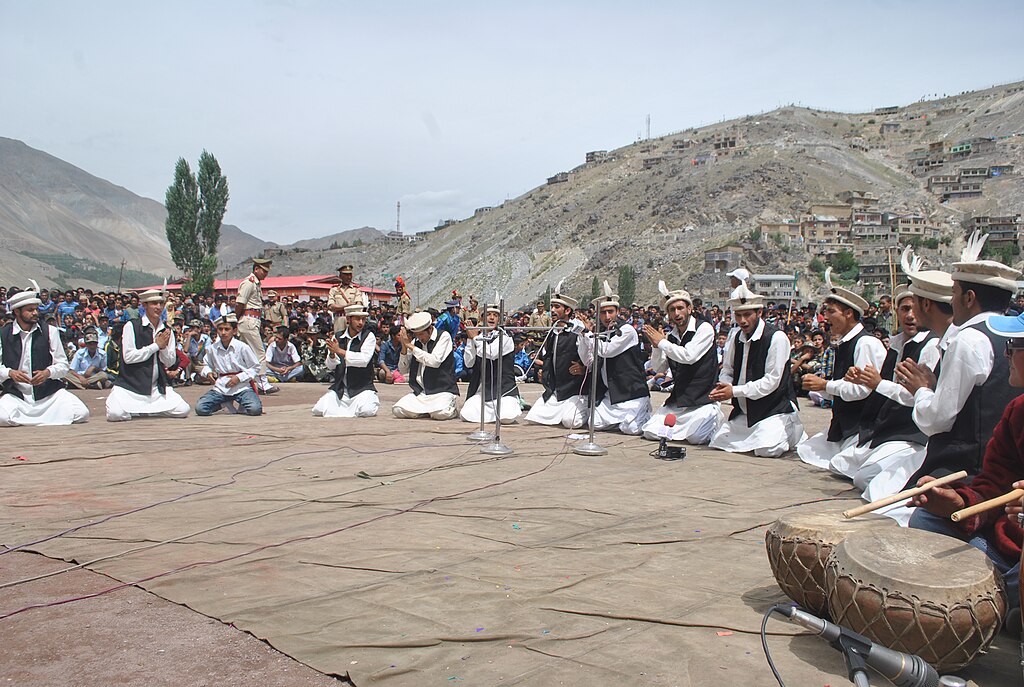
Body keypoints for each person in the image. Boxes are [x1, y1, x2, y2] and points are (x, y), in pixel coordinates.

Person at [906, 306, 1024, 620]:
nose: (1007, 355)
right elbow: (993, 485)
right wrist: (958, 503)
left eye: (1014, 346)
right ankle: (1005, 597)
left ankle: (1003, 597)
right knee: (925, 520)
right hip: (1007, 542)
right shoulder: (1017, 411)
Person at [899, 231, 1024, 488]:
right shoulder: (1015, 332)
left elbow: (937, 420)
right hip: (1010, 467)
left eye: (954, 293)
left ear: (969, 298)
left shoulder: (968, 339)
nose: (951, 301)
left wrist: (922, 390)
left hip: (971, 472)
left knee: (900, 506)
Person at [797, 269, 886, 468]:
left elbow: (862, 390)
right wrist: (822, 386)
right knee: (807, 449)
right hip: (845, 423)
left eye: (831, 311)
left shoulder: (866, 343)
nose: (825, 316)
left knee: (842, 465)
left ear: (848, 313)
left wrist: (825, 385)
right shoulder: (843, 343)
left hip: (864, 425)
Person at [708, 284, 805, 457]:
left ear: (759, 312)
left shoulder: (776, 338)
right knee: (718, 440)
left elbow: (771, 381)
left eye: (747, 315)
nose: (742, 320)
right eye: (738, 315)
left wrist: (734, 391)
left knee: (768, 449)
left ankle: (792, 430)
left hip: (773, 410)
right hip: (746, 413)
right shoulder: (736, 337)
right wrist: (725, 385)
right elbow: (728, 369)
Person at [640, 282, 723, 443]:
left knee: (696, 438)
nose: (677, 313)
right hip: (679, 401)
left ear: (689, 309)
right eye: (672, 310)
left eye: (680, 308)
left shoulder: (704, 329)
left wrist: (662, 342)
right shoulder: (671, 337)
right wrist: (656, 347)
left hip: (702, 400)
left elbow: (689, 356)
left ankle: (714, 419)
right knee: (651, 432)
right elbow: (658, 367)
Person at [0, 282, 89, 425]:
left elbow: (63, 365)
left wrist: (48, 373)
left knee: (81, 413)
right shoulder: (3, 334)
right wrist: (10, 373)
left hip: (48, 395)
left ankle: (28, 420)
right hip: (17, 395)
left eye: (36, 309)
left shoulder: (50, 331)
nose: (35, 313)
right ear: (17, 312)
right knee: (2, 417)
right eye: (30, 310)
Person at [576, 283, 652, 435]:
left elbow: (607, 351)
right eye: (603, 313)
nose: (607, 317)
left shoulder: (626, 331)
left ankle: (642, 413)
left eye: (610, 312)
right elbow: (587, 361)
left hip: (631, 394)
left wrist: (589, 334)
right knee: (594, 423)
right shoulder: (599, 333)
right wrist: (583, 336)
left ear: (617, 312)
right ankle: (624, 421)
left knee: (631, 429)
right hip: (612, 395)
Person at [105, 288, 190, 421]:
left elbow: (169, 362)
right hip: (130, 388)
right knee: (116, 414)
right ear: (144, 305)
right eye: (154, 303)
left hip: (156, 389)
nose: (158, 307)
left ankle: (145, 410)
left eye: (161, 303)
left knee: (183, 409)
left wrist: (163, 348)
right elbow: (128, 357)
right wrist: (155, 346)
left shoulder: (166, 330)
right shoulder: (131, 326)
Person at [526, 288, 588, 428]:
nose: (552, 310)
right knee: (534, 417)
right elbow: (549, 358)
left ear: (567, 311)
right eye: (552, 307)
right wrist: (544, 372)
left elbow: (591, 356)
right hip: (557, 389)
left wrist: (584, 368)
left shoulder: (578, 331)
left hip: (575, 389)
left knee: (570, 421)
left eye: (557, 307)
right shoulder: (553, 332)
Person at [461, 303, 521, 424]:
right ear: (482, 319)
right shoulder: (477, 337)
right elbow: (469, 363)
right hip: (483, 392)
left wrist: (475, 339)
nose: (492, 318)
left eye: (495, 315)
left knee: (506, 417)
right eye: (488, 315)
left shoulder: (505, 338)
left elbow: (491, 354)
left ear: (499, 320)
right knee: (466, 413)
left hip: (503, 392)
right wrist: (470, 339)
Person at [393, 311, 459, 420]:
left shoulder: (443, 337)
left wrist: (410, 346)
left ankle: (448, 407)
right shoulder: (415, 342)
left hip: (441, 391)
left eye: (421, 334)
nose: (419, 338)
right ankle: (426, 411)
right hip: (422, 393)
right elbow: (403, 370)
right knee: (398, 409)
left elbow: (434, 362)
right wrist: (404, 347)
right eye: (416, 335)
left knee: (441, 414)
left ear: (430, 329)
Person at [195, 313, 263, 416]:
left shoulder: (242, 347)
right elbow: (206, 364)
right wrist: (208, 373)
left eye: (227, 329)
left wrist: (239, 378)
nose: (223, 333)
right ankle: (224, 404)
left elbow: (255, 367)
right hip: (222, 387)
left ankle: (242, 403)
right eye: (220, 329)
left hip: (241, 387)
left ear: (234, 331)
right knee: (201, 408)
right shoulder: (213, 348)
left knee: (255, 409)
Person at [234, 257, 278, 394]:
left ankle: (244, 381)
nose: (266, 274)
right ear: (256, 269)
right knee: (259, 353)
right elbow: (240, 303)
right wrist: (236, 319)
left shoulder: (255, 284)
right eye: (264, 271)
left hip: (252, 320)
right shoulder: (249, 283)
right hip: (248, 319)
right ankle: (263, 383)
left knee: (244, 354)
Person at [328, 265, 366, 333]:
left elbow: (359, 304)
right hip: (339, 319)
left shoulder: (356, 289)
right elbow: (331, 306)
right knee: (339, 337)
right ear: (340, 276)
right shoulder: (334, 289)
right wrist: (346, 306)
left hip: (352, 319)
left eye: (350, 274)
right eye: (346, 275)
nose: (349, 277)